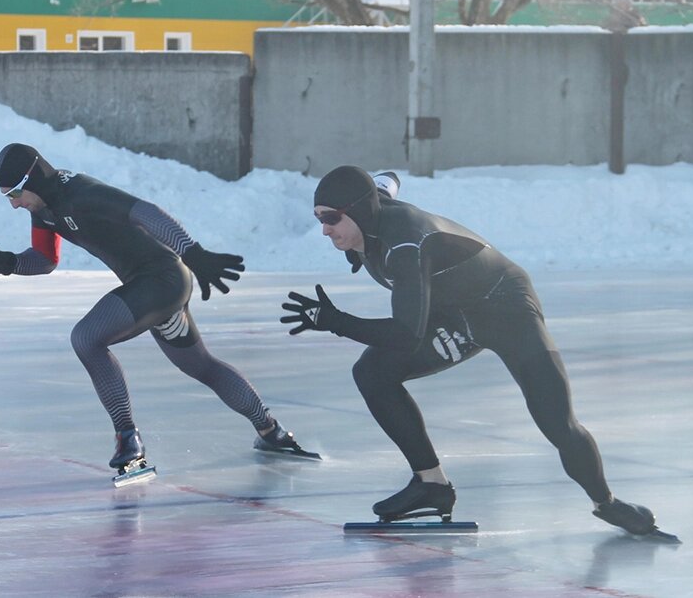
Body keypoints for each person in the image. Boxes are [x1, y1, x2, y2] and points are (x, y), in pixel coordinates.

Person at [281, 165, 665, 537]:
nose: (325, 229)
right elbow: (387, 180)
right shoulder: (371, 208)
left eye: (331, 218)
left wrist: (336, 320)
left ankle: (606, 502)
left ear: (361, 212)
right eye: (318, 218)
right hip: (453, 311)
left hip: (506, 308)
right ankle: (431, 485)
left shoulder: (405, 246)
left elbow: (404, 334)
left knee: (556, 421)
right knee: (371, 373)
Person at [0, 143, 315, 478]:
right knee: (200, 365)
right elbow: (46, 259)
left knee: (86, 338)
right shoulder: (44, 207)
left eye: (14, 193)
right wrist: (5, 262)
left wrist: (193, 252)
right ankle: (271, 430)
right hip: (154, 287)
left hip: (163, 279)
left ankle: (128, 437)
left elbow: (146, 212)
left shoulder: (80, 193)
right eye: (6, 197)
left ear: (30, 179)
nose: (14, 204)